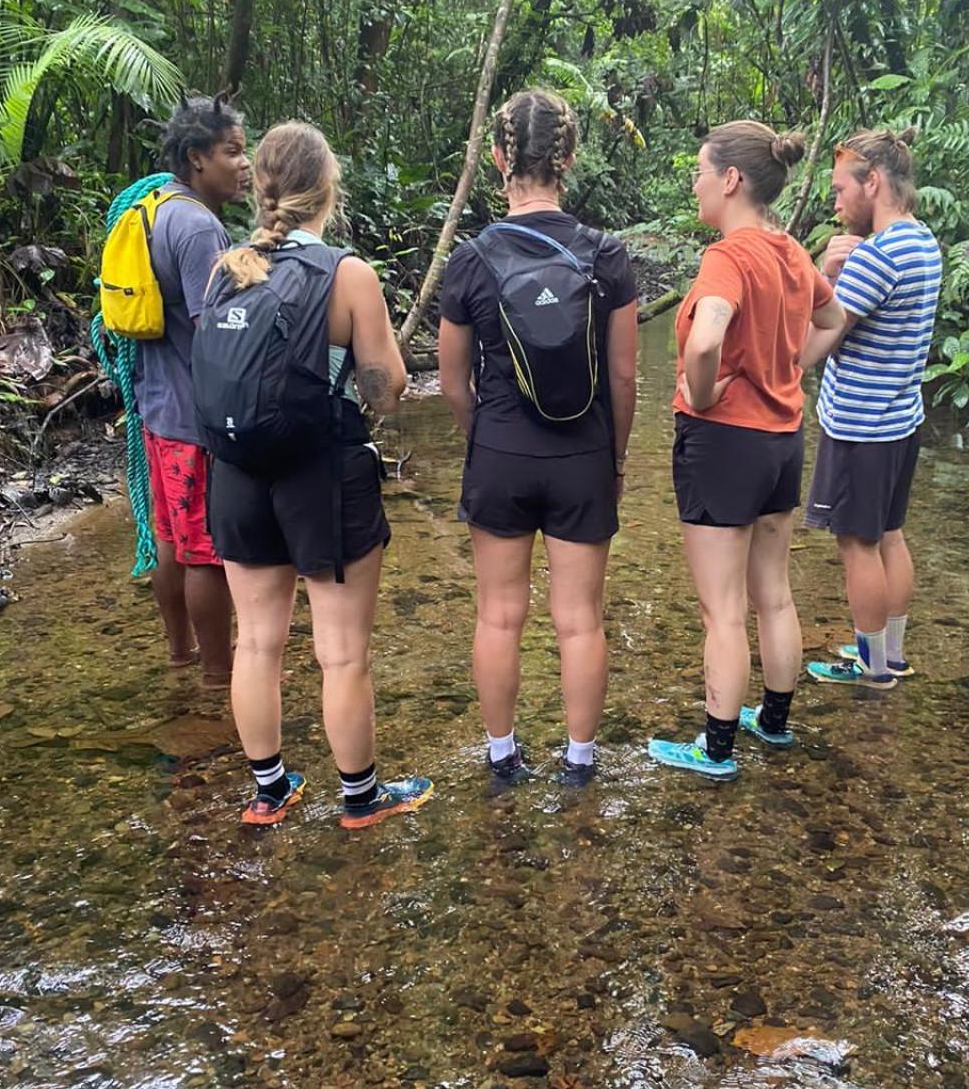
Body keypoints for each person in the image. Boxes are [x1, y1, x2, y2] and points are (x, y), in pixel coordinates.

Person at [203, 121, 432, 828]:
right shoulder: (346, 273)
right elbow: (387, 386)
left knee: (258, 640)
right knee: (340, 652)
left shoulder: (227, 267)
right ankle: (361, 799)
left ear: (261, 187)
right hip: (322, 475)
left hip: (238, 473)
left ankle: (269, 792)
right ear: (326, 190)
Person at [438, 89, 638, 788]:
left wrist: (482, 438)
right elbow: (622, 378)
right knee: (580, 619)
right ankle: (579, 764)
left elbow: (453, 381)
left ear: (497, 159)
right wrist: (612, 460)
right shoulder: (606, 256)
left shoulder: (470, 261)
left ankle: (502, 757)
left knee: (498, 615)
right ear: (569, 161)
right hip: (582, 454)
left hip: (499, 454)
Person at [648, 121, 845, 778]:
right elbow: (832, 318)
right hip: (782, 441)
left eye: (700, 173)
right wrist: (788, 370)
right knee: (774, 593)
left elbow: (705, 341)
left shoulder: (727, 257)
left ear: (731, 180)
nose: (695, 184)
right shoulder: (789, 250)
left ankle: (716, 748)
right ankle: (776, 722)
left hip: (724, 440)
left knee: (722, 611)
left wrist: (701, 395)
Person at [801, 127, 942, 689]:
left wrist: (826, 274)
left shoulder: (873, 258)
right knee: (889, 534)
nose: (835, 205)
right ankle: (891, 653)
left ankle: (872, 668)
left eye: (840, 191)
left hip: (860, 424)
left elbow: (807, 351)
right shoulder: (922, 241)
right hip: (901, 417)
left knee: (858, 545)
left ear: (873, 182)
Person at [134, 94, 247, 684]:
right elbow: (214, 335)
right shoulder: (200, 227)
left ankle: (180, 655)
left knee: (169, 540)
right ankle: (218, 675)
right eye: (232, 152)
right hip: (193, 420)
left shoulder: (154, 208)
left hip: (157, 413)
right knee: (206, 552)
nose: (243, 165)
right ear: (198, 158)